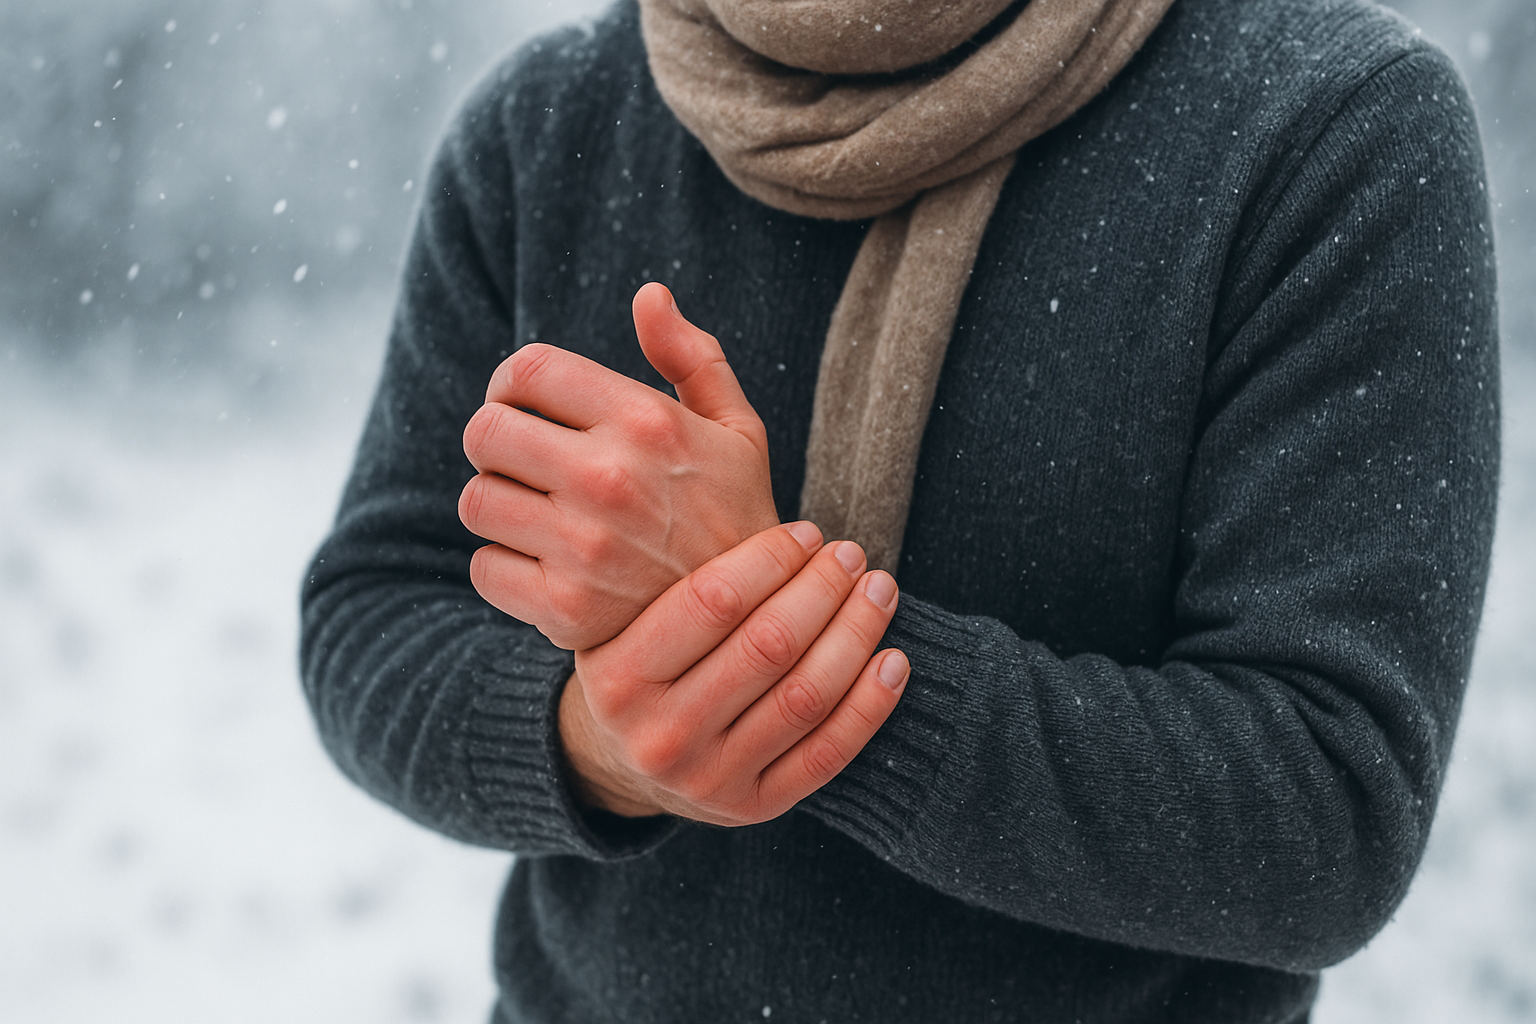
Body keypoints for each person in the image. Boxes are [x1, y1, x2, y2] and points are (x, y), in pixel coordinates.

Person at [300, 0, 1500, 1020]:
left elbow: (1327, 813)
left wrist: (783, 662)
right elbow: (372, 612)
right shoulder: (547, 123)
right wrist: (600, 744)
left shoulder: (1332, 126)